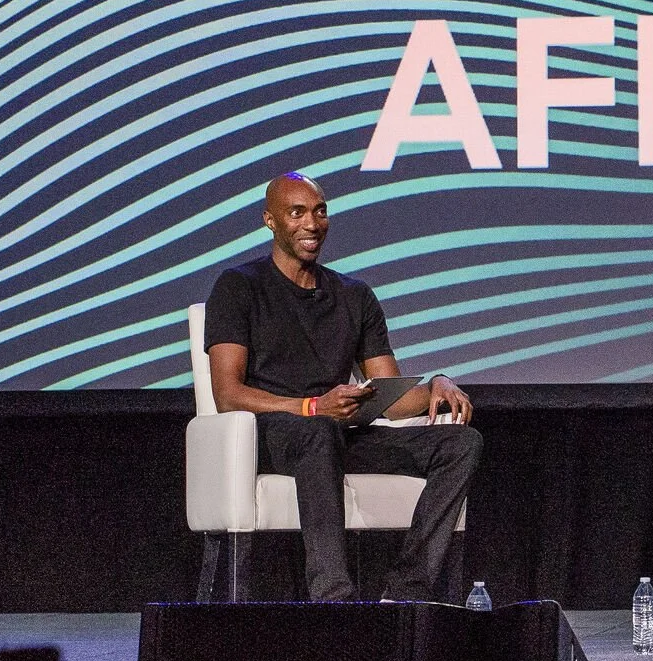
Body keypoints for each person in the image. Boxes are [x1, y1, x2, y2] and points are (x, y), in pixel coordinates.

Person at [203, 172, 481, 602]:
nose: (311, 223)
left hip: (337, 433)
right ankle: (334, 600)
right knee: (319, 432)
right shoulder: (239, 287)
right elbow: (228, 394)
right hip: (272, 434)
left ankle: (406, 591)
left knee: (461, 444)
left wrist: (438, 384)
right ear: (271, 221)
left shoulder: (354, 295)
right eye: (296, 212)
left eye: (319, 211)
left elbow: (393, 398)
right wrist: (313, 407)